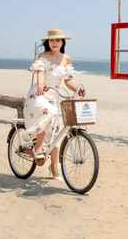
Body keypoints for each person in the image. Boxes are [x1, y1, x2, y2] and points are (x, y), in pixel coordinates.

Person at [23, 29, 84, 179]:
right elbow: (40, 74)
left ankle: (54, 167)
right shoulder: (42, 57)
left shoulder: (66, 59)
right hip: (39, 94)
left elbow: (68, 80)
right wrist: (40, 86)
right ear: (47, 42)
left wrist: (78, 88)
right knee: (47, 114)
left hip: (55, 96)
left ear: (63, 42)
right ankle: (37, 147)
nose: (54, 43)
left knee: (57, 134)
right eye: (51, 40)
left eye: (58, 40)